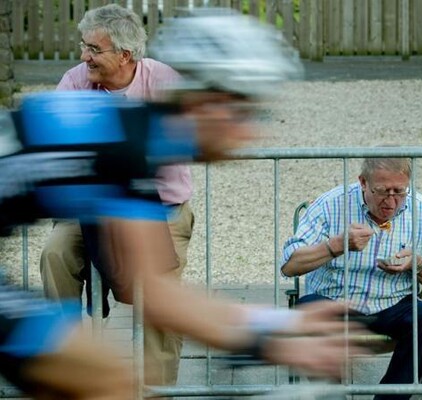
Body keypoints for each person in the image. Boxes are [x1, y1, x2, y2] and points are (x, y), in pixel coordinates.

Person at [0, 9, 367, 399]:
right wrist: (272, 332)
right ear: (207, 102)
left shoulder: (133, 141)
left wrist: (275, 329)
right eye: (244, 112)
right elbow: (163, 301)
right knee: (104, 378)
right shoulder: (125, 143)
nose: (249, 132)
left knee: (103, 381)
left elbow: (154, 292)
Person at [38, 4, 194, 386]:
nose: (83, 56)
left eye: (93, 49)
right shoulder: (75, 81)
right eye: (83, 46)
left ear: (125, 55)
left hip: (161, 208)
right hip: (90, 206)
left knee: (160, 298)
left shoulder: (163, 80)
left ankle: (158, 389)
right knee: (55, 253)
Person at [280, 157, 422, 400]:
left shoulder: (421, 209)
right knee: (305, 310)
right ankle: (333, 397)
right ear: (363, 182)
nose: (391, 202)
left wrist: (417, 263)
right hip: (336, 301)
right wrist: (336, 245)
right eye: (382, 191)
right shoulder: (331, 204)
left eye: (399, 191)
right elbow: (289, 265)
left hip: (393, 304)